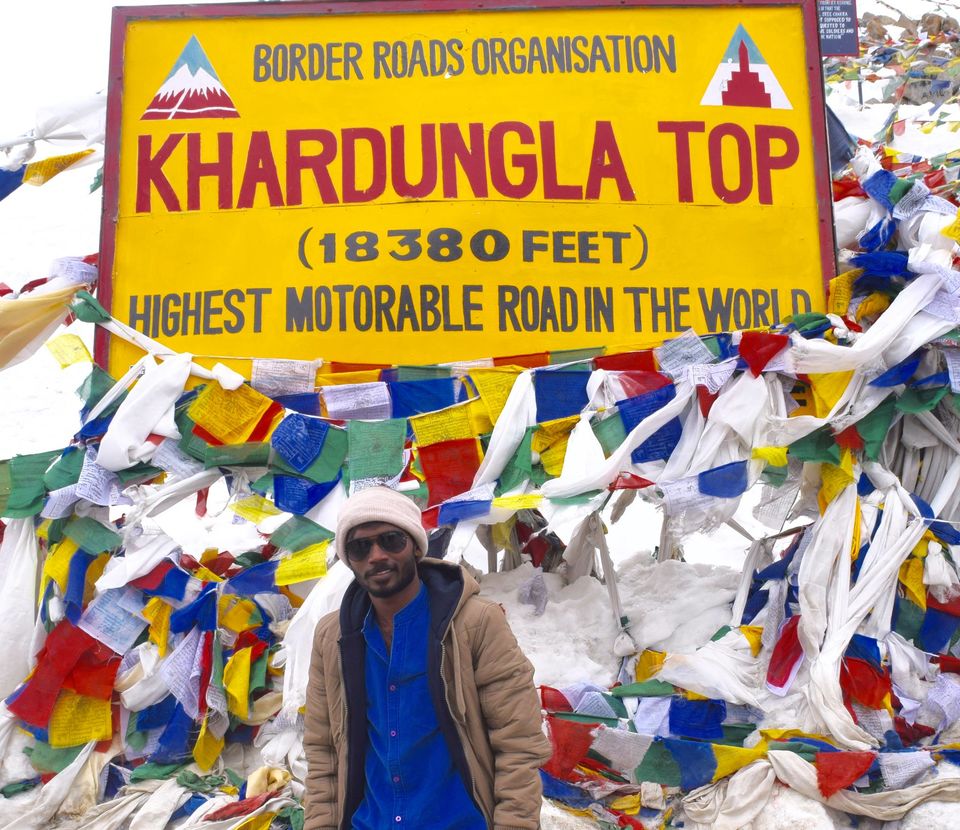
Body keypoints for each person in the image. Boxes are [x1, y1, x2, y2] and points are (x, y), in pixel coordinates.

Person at [303, 486, 551, 829]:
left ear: (416, 546)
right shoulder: (333, 638)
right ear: (350, 561)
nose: (376, 555)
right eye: (360, 547)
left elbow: (518, 746)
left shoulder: (475, 624)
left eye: (390, 540)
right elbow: (323, 752)